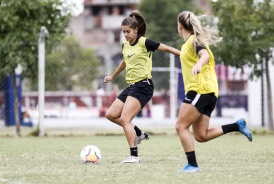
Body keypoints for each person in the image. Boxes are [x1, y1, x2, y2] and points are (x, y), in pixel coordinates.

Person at [175, 11, 253, 172]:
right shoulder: (189, 43)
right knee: (201, 135)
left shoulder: (194, 41)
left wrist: (199, 64)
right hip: (209, 93)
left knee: (181, 126)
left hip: (199, 90)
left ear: (180, 26)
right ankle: (236, 126)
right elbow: (192, 55)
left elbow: (204, 56)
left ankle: (192, 165)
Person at [104, 10, 180, 163]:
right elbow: (125, 61)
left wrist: (183, 53)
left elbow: (164, 47)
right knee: (111, 115)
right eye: (123, 32)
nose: (125, 34)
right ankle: (138, 133)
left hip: (143, 86)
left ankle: (134, 157)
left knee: (125, 119)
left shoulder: (144, 42)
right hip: (132, 86)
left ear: (136, 30)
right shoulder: (125, 45)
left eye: (128, 31)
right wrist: (113, 76)